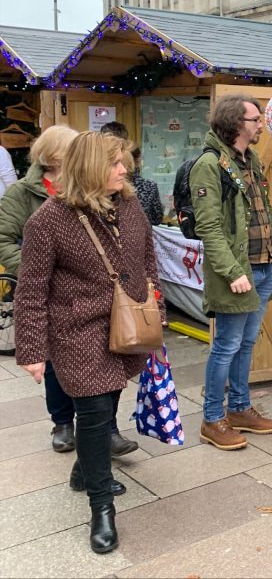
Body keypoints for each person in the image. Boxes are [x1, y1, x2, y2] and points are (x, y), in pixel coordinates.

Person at [14, 132, 165, 554]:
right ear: (90, 169)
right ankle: (102, 507)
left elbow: (148, 262)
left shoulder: (131, 206)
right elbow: (30, 292)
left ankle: (84, 469)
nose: (124, 170)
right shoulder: (47, 221)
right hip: (77, 334)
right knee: (96, 413)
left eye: (124, 162)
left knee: (109, 402)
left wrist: (157, 313)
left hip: (127, 327)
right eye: (115, 164)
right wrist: (32, 350)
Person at [0, 126, 139, 462]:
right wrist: (41, 269)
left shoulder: (115, 198)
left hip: (99, 302)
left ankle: (102, 433)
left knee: (103, 378)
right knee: (56, 366)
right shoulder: (24, 195)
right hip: (59, 303)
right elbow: (6, 240)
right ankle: (63, 422)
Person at [192, 95, 272, 450]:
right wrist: (232, 271)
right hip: (238, 272)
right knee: (226, 345)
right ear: (235, 123)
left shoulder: (251, 159)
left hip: (263, 265)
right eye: (255, 120)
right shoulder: (209, 164)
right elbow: (209, 227)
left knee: (246, 343)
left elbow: (264, 207)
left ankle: (241, 408)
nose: (261, 125)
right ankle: (212, 419)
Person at [130, 145, 164, 226]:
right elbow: (157, 219)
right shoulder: (149, 186)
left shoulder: (110, 186)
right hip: (142, 235)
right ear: (139, 160)